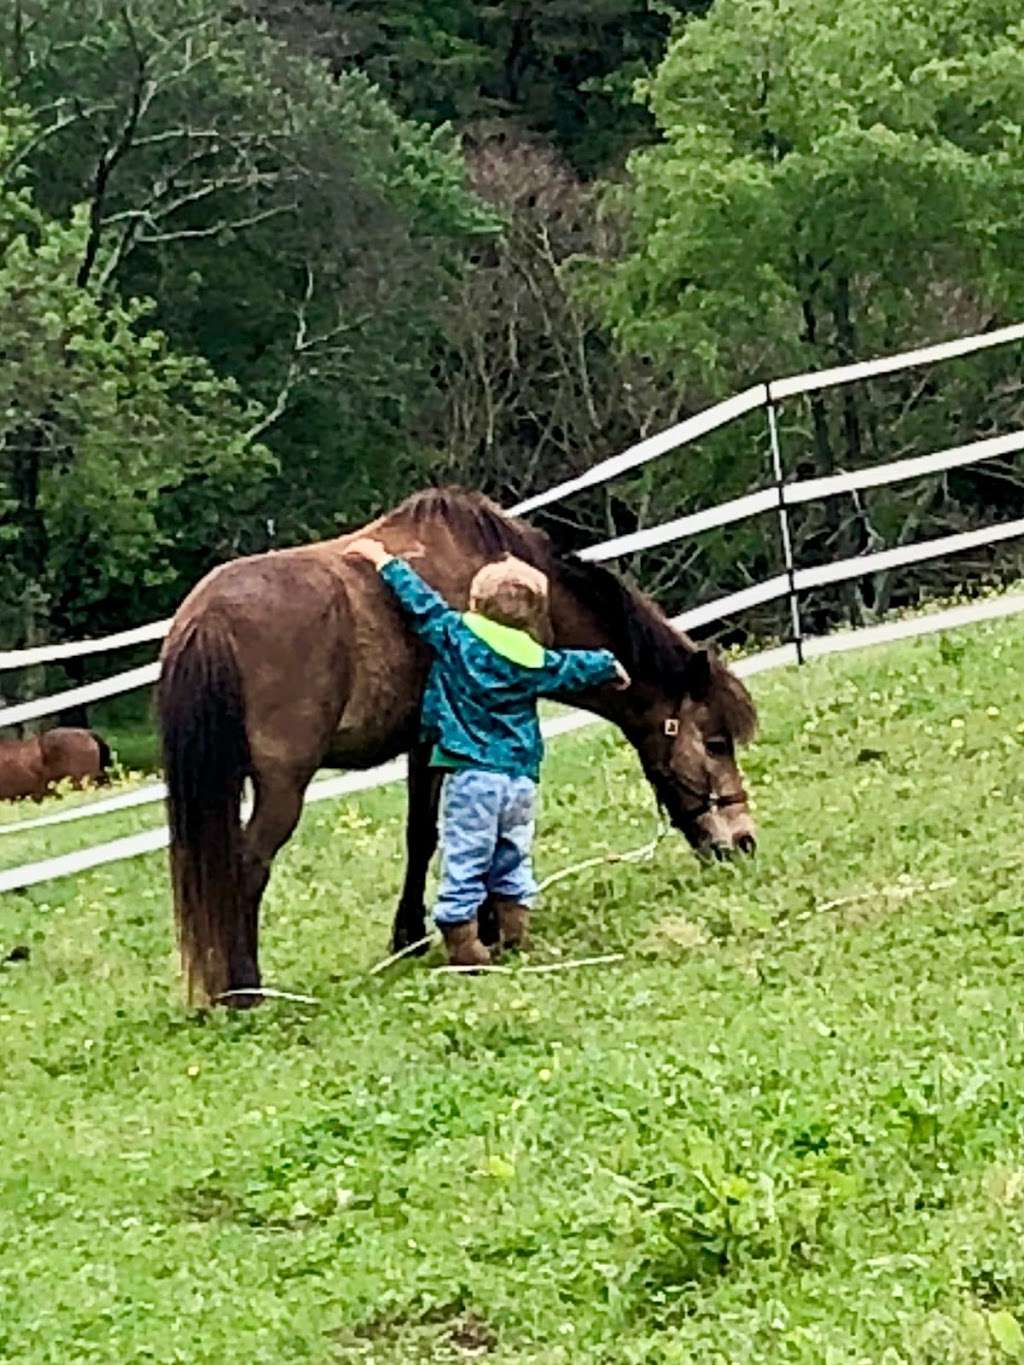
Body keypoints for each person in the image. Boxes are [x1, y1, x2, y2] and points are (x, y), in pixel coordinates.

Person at [344, 539, 630, 966]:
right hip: (520, 780)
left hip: (473, 774)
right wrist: (609, 665)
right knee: (512, 854)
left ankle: (463, 944)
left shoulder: (457, 636)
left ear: (475, 602)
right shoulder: (534, 661)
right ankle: (514, 932)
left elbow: (420, 603)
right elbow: (572, 667)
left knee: (466, 855)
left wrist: (382, 560)